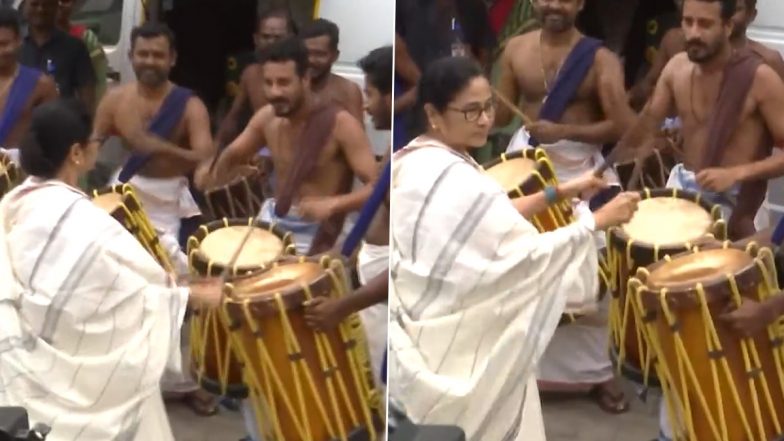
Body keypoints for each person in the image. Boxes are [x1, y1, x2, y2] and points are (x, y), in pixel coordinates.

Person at [389, 55, 640, 441]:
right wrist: (596, 222)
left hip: (429, 330)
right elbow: (522, 259)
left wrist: (561, 191)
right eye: (471, 111)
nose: (486, 119)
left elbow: (490, 214)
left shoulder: (414, 158)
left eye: (488, 106)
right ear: (433, 114)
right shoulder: (453, 176)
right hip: (463, 345)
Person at [0, 98, 223, 440]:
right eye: (95, 142)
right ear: (76, 153)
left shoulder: (15, 201)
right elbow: (132, 298)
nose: (96, 148)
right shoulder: (85, 222)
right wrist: (188, 295)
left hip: (25, 369)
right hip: (80, 381)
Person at [494, 0, 635, 413]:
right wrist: (479, 95)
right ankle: (523, 372)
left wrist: (564, 129)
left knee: (594, 272)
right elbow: (502, 113)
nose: (553, 4)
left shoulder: (601, 59)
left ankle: (595, 375)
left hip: (584, 172)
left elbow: (622, 125)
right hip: (529, 167)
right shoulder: (516, 49)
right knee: (524, 270)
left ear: (580, 4)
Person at [90, 22, 217, 416]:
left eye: (158, 55)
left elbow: (205, 157)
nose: (149, 61)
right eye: (142, 54)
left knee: (177, 290)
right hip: (124, 196)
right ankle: (124, 373)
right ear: (131, 56)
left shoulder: (190, 105)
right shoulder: (115, 100)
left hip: (167, 206)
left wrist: (153, 145)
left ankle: (185, 381)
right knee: (116, 288)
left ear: (172, 59)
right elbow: (93, 144)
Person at [210, 37, 378, 256]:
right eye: (268, 83)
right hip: (273, 219)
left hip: (321, 231)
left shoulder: (342, 124)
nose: (274, 92)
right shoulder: (266, 118)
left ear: (305, 79)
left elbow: (377, 188)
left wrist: (333, 204)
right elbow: (231, 155)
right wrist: (215, 176)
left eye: (283, 82)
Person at [304, 45, 393, 385]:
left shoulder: (413, 158)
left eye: (371, 93)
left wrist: (343, 306)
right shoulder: (393, 146)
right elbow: (379, 211)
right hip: (369, 285)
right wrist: (345, 255)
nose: (366, 104)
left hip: (383, 302)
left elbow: (404, 266)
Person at [216, 7, 297, 147]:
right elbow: (233, 117)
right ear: (256, 39)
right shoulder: (251, 73)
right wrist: (215, 149)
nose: (271, 42)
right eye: (266, 37)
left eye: (278, 37)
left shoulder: (302, 74)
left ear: (291, 39)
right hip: (259, 149)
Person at [0, 6, 56, 160]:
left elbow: (53, 139)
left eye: (4, 44)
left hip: (19, 175)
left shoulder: (41, 86)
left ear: (18, 41)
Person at [20, 0, 95, 112]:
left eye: (46, 4)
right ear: (24, 7)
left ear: (56, 8)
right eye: (35, 4)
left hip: (60, 124)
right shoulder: (12, 45)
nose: (40, 9)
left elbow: (87, 94)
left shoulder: (75, 47)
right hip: (17, 125)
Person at [299, 18, 364, 122]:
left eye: (319, 54)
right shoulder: (289, 86)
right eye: (306, 53)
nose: (311, 60)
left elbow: (359, 135)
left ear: (335, 55)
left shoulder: (348, 91)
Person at [56, 0, 108, 104]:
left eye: (65, 1)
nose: (59, 4)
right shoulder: (29, 40)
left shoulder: (86, 38)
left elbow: (100, 82)